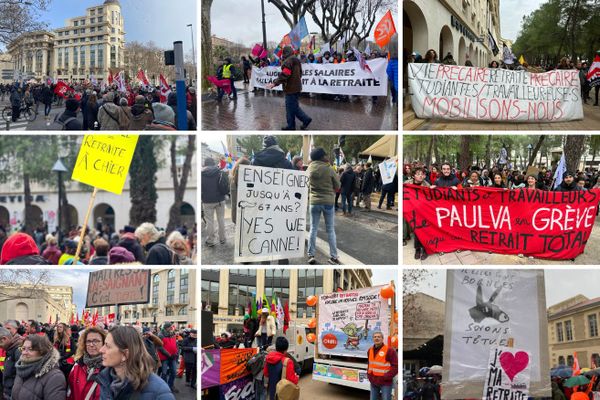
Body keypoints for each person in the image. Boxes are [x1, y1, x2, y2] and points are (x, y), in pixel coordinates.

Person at [97, 326, 174, 399]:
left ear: (125, 354)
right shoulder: (105, 379)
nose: (101, 350)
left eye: (108, 346)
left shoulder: (159, 391)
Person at [307, 148, 341, 265]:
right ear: (322, 157)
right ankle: (334, 257)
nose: (327, 156)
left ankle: (311, 255)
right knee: (330, 230)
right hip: (328, 202)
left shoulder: (309, 168)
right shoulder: (329, 169)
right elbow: (338, 186)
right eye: (325, 154)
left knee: (313, 228)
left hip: (314, 202)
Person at [266, 46, 312, 130]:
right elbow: (300, 73)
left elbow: (285, 75)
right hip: (297, 87)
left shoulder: (288, 61)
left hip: (290, 89)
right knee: (290, 107)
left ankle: (305, 119)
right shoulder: (296, 60)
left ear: (285, 53)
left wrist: (274, 83)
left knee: (292, 107)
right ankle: (291, 125)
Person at [11, 335, 66, 400]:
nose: (24, 353)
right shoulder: (22, 368)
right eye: (23, 348)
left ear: (42, 351)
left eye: (30, 349)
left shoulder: (55, 376)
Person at [67, 327, 105, 400]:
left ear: (104, 343)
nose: (91, 344)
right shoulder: (77, 367)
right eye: (88, 341)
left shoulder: (109, 369)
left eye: (96, 341)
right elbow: (70, 394)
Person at [405, 167, 431, 261]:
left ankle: (425, 249)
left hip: (424, 211)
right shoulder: (407, 184)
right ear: (413, 176)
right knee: (417, 230)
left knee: (425, 230)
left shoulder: (427, 185)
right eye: (418, 174)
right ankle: (417, 249)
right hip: (413, 212)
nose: (421, 176)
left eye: (422, 174)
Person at [201, 157, 228, 247]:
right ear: (213, 163)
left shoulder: (201, 173)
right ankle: (222, 239)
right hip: (220, 199)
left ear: (205, 164)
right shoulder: (219, 171)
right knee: (221, 219)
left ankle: (210, 240)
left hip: (207, 201)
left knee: (210, 221)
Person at [367, 332, 398, 400]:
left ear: (382, 339)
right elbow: (369, 364)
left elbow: (395, 367)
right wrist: (369, 375)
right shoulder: (370, 350)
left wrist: (385, 377)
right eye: (375, 337)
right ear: (373, 339)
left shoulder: (389, 350)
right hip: (373, 381)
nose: (376, 338)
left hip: (385, 382)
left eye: (379, 337)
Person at [0, 325, 22, 398]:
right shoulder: (10, 349)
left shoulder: (17, 351)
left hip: (13, 394)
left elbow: (21, 376)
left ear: (4, 339)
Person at [157, 323, 178, 393]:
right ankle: (164, 387)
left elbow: (175, 344)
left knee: (174, 372)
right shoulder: (160, 335)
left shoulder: (172, 334)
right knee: (164, 373)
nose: (171, 328)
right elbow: (160, 347)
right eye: (170, 327)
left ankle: (171, 385)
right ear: (166, 327)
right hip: (164, 357)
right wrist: (169, 355)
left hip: (173, 357)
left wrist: (176, 353)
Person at [230, 157, 251, 225]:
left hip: (239, 218)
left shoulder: (233, 181)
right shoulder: (248, 181)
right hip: (247, 218)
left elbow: (234, 204)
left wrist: (234, 219)